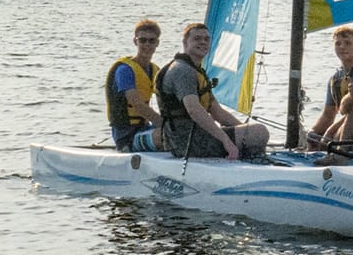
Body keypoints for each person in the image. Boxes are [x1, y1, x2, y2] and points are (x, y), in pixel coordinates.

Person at [154, 22, 269, 159]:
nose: (202, 42)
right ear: (185, 43)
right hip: (185, 143)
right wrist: (227, 141)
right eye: (197, 39)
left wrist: (245, 131)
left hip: (196, 137)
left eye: (206, 39)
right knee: (261, 132)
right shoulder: (182, 71)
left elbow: (218, 113)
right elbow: (194, 110)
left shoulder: (196, 71)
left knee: (255, 131)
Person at [305, 26, 353, 150]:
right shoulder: (336, 79)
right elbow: (328, 115)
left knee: (331, 138)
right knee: (315, 139)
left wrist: (330, 133)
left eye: (347, 43)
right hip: (349, 125)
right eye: (338, 44)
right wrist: (313, 132)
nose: (342, 47)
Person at [105, 18, 164, 152]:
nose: (147, 45)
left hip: (144, 128)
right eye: (142, 40)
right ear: (135, 41)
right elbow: (136, 103)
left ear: (157, 43)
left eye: (151, 41)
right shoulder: (125, 70)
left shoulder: (155, 70)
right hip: (126, 135)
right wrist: (164, 125)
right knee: (168, 136)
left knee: (181, 133)